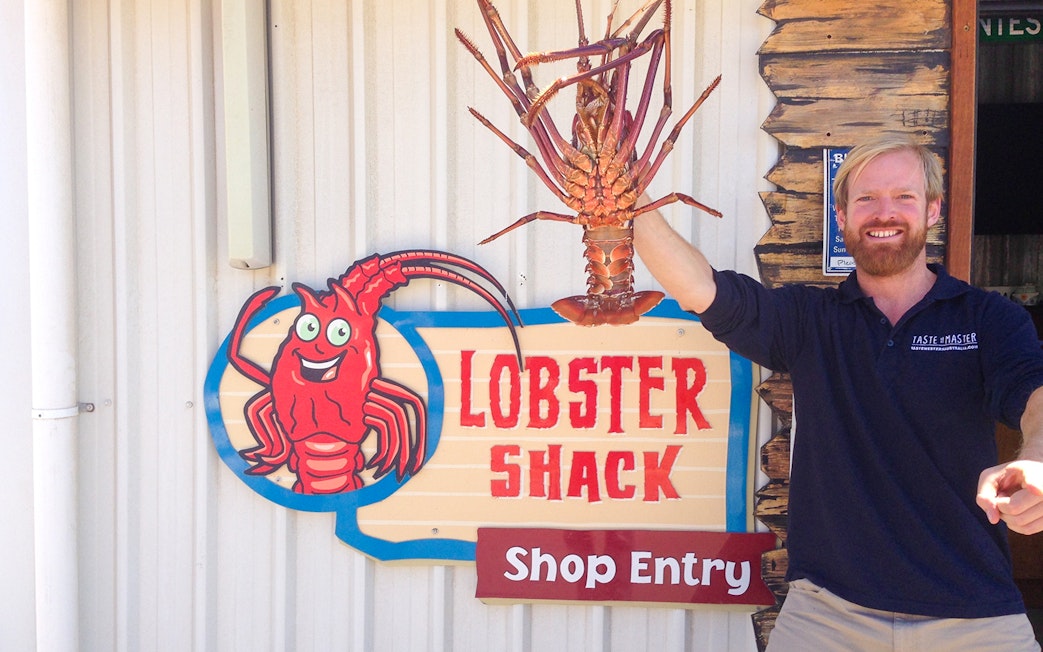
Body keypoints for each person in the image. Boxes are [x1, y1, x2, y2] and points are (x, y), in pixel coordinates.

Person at [633, 134, 1043, 651]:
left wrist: (1037, 457)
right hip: (828, 616)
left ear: (933, 210)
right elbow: (701, 290)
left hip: (974, 616)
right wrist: (631, 200)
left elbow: (1034, 391)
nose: (884, 212)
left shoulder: (987, 318)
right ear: (842, 216)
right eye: (866, 199)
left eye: (905, 197)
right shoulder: (811, 320)